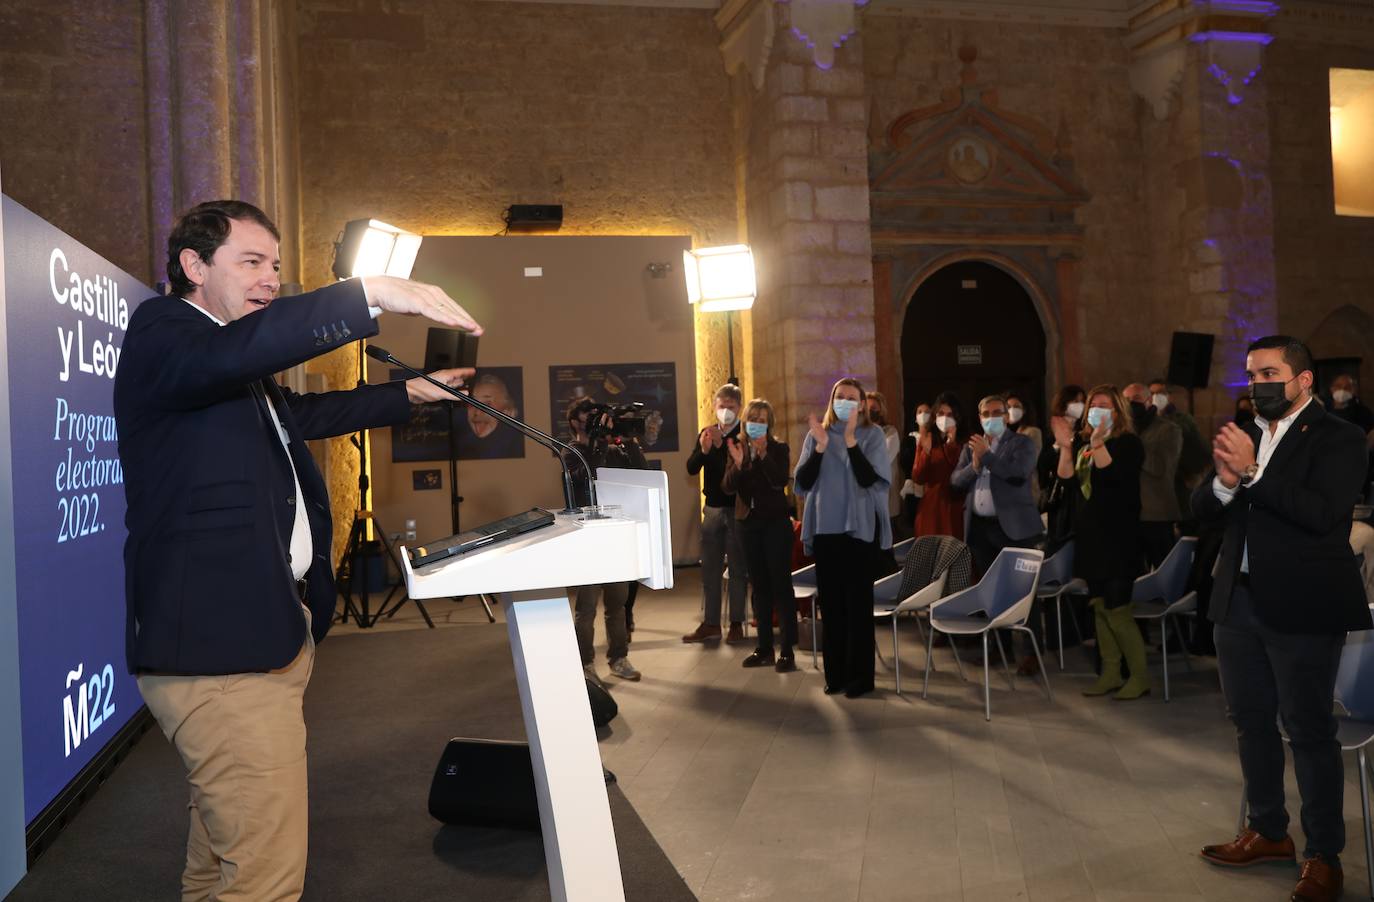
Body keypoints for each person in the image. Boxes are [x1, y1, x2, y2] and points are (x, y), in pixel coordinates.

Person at [113, 200, 481, 901]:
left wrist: (407, 394)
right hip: (221, 655)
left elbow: (302, 417)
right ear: (193, 267)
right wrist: (367, 294)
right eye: (250, 262)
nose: (269, 279)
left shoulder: (226, 361)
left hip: (260, 639)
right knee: (263, 882)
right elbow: (242, 353)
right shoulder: (166, 331)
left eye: (275, 265)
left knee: (222, 862)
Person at [1193, 336, 1371, 902]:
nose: (1257, 384)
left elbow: (1322, 516)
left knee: (1310, 730)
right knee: (1250, 722)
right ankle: (1269, 831)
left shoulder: (1339, 437)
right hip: (1238, 601)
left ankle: (1324, 854)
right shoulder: (1246, 435)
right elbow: (1199, 511)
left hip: (1303, 602)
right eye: (1251, 375)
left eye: (1269, 372)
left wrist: (1251, 476)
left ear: (1304, 381)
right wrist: (1223, 481)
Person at [1049, 383, 1150, 701]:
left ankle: (1139, 676)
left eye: (1105, 406)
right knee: (1099, 608)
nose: (1097, 411)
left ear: (1118, 411)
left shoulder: (1129, 444)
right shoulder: (1085, 447)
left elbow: (1114, 476)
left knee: (1119, 609)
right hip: (1091, 538)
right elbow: (1066, 481)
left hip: (1120, 539)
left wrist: (1097, 442)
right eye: (1094, 405)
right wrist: (1066, 447)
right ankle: (1109, 673)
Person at [794, 378, 892, 698]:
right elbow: (803, 482)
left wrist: (850, 440)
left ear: (862, 404)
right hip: (826, 530)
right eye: (841, 396)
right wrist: (821, 447)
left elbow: (870, 479)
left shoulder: (872, 435)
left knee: (857, 608)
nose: (846, 402)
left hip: (859, 532)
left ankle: (861, 678)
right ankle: (835, 675)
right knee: (832, 607)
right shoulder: (818, 435)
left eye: (853, 397)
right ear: (832, 400)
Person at [565, 399, 647, 684]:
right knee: (586, 608)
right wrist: (598, 441)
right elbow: (589, 478)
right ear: (575, 421)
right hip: (588, 539)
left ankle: (619, 657)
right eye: (587, 415)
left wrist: (630, 441)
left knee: (618, 605)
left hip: (614, 538)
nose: (594, 420)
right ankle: (585, 664)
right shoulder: (572, 452)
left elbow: (641, 473)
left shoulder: (613, 450)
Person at [722, 399, 797, 672]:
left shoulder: (779, 448)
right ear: (745, 421)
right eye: (753, 418)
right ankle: (764, 647)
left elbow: (779, 482)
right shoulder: (737, 448)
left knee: (780, 586)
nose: (757, 423)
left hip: (775, 524)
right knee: (759, 587)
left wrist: (763, 456)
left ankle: (787, 650)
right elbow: (727, 487)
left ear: (769, 424)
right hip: (747, 524)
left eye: (763, 419)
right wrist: (740, 464)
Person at [683, 384, 750, 644]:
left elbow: (732, 477)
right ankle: (711, 623)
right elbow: (691, 468)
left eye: (731, 408)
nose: (726, 412)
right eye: (722, 407)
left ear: (739, 409)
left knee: (736, 570)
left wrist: (722, 449)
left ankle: (736, 624)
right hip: (711, 509)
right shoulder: (707, 433)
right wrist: (705, 449)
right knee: (709, 570)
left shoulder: (743, 436)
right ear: (715, 407)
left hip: (736, 510)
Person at [951, 394, 1043, 577]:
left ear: (1006, 417)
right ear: (980, 418)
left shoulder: (1021, 443)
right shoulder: (972, 446)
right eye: (986, 414)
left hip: (1012, 528)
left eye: (996, 413)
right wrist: (975, 467)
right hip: (979, 530)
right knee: (990, 589)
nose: (990, 417)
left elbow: (1017, 474)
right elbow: (955, 481)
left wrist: (986, 456)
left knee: (1018, 589)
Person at [1123, 382, 1183, 568]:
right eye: (1126, 400)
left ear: (1149, 401)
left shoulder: (1168, 430)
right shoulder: (1125, 429)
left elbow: (1161, 468)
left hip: (1156, 514)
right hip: (1129, 513)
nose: (1131, 404)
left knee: (1163, 568)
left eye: (1136, 399)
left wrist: (1133, 446)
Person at [1148, 378, 1210, 530]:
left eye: (1160, 393)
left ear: (1169, 396)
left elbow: (1197, 448)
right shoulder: (1146, 421)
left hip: (1181, 482)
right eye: (1152, 393)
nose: (1156, 397)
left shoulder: (1182, 420)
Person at [1038, 384, 1086, 553]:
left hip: (1076, 497)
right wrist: (1058, 446)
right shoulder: (1052, 433)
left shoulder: (1085, 432)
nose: (1078, 405)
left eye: (1082, 401)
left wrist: (1070, 443)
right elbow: (1042, 467)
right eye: (1074, 401)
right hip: (1057, 499)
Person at [912, 391, 967, 540]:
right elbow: (918, 477)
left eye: (950, 415)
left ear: (957, 417)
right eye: (941, 413)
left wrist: (952, 444)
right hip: (930, 506)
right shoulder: (928, 439)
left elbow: (959, 474)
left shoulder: (965, 442)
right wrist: (926, 452)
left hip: (955, 506)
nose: (944, 418)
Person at [1325, 373, 1374, 502]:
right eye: (1338, 386)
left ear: (1354, 390)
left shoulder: (1363, 413)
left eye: (1347, 387)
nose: (1342, 390)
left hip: (1356, 469)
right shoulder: (1323, 411)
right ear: (1331, 388)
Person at [865, 390, 904, 531]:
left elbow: (881, 460)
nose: (870, 412)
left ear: (881, 411)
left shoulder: (890, 432)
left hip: (885, 499)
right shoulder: (859, 433)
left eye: (873, 409)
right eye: (867, 409)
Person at [898, 402, 931, 528]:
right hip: (913, 489)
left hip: (930, 490)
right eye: (920, 412)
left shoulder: (936, 439)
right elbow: (904, 462)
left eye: (927, 412)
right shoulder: (910, 438)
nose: (923, 415)